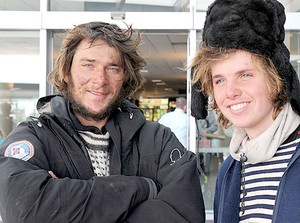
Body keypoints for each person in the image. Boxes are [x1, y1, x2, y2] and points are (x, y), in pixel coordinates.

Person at [0, 22, 205, 223]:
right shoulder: (34, 138)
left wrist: (66, 204)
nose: (100, 80)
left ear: (125, 77)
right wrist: (143, 188)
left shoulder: (158, 140)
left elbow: (186, 215)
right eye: (88, 65)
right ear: (66, 71)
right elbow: (24, 212)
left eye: (113, 67)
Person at [190, 0, 300, 222]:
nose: (230, 92)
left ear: (276, 77)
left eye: (245, 75)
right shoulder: (230, 170)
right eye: (220, 80)